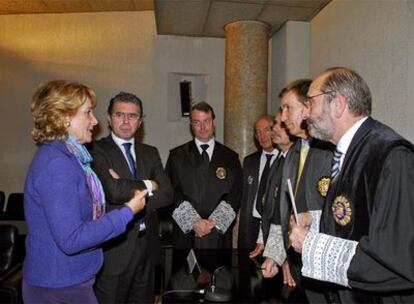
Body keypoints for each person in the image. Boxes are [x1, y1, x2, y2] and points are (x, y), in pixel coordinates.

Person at [290, 67, 414, 303]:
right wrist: (315, 220)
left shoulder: (392, 156)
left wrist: (312, 246)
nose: (306, 114)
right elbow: (361, 216)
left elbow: (397, 258)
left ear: (338, 104)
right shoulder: (350, 151)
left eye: (311, 103)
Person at [23, 80, 147, 303]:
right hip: (58, 286)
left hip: (70, 280)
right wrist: (128, 211)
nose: (95, 121)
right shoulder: (57, 163)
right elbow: (72, 239)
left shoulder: (73, 157)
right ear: (64, 118)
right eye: (88, 112)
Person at [90, 92, 173, 303]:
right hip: (115, 250)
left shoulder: (150, 152)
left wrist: (126, 189)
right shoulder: (96, 150)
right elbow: (113, 191)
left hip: (148, 247)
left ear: (140, 121)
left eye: (133, 116)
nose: (126, 121)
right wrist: (150, 184)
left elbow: (168, 194)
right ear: (109, 118)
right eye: (120, 114)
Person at [261, 80, 333, 303]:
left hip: (325, 269)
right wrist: (275, 255)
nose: (282, 118)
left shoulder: (331, 151)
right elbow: (284, 211)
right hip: (298, 267)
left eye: (287, 108)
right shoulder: (292, 154)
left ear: (306, 108)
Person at [165, 101, 243, 249]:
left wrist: (213, 223)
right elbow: (171, 192)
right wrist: (193, 222)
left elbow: (236, 194)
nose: (202, 127)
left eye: (206, 121)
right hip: (186, 234)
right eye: (196, 122)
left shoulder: (230, 157)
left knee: (219, 271)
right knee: (185, 272)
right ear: (191, 125)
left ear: (213, 122)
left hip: (218, 234)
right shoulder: (177, 156)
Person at [260, 110, 295, 288]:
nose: (274, 128)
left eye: (279, 124)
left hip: (293, 255)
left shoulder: (298, 162)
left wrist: (286, 258)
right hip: (277, 252)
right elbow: (272, 211)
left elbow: (293, 217)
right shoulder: (280, 159)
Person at [238, 115, 278, 254]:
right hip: (251, 226)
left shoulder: (285, 160)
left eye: (266, 130)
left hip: (274, 227)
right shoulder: (249, 161)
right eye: (258, 131)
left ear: (276, 130)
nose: (262, 136)